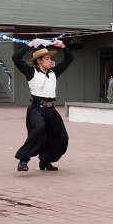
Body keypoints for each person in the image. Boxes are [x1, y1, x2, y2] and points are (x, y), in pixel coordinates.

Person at [12, 39, 74, 172]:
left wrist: (62, 46)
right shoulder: (31, 73)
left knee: (61, 136)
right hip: (37, 108)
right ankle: (23, 159)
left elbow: (69, 58)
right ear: (39, 61)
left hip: (51, 109)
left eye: (50, 59)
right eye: (47, 58)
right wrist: (30, 44)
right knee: (39, 129)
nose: (50, 61)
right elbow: (16, 58)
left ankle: (45, 160)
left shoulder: (53, 73)